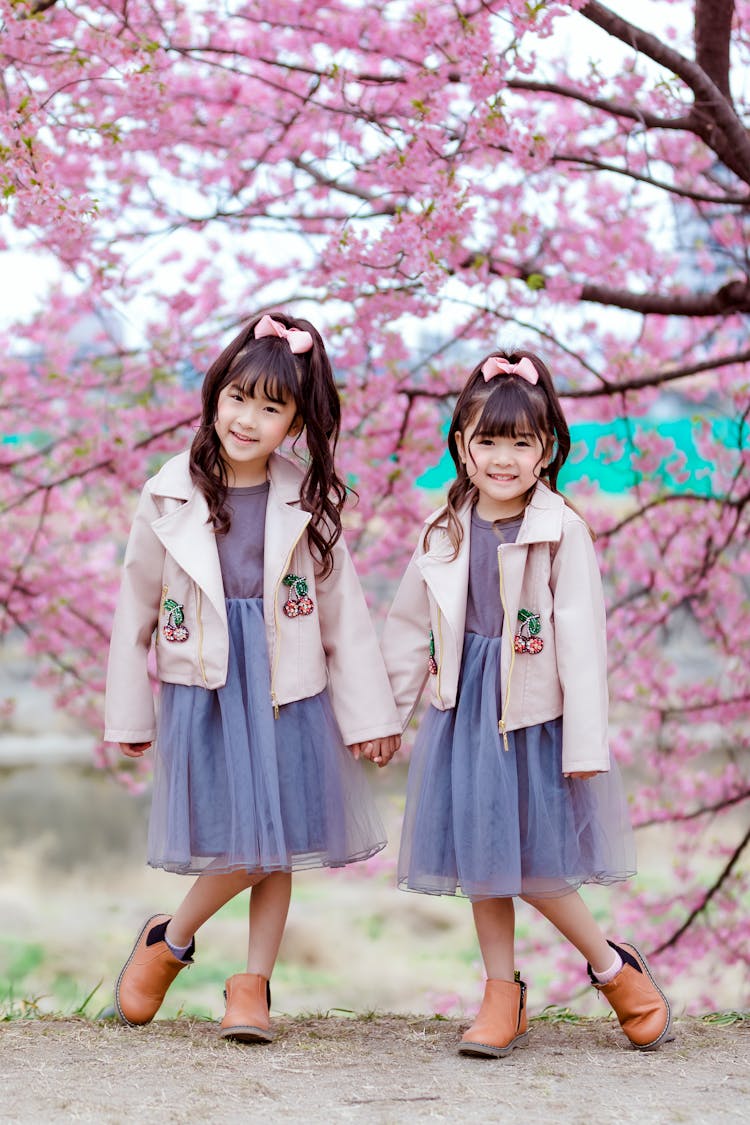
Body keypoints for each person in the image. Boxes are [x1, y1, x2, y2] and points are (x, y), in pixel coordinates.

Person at [104, 312, 400, 1042]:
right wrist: (130, 715)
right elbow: (133, 611)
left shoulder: (304, 498)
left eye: (273, 407)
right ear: (215, 394)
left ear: (297, 422)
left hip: (286, 684)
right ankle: (169, 937)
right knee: (249, 841)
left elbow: (344, 615)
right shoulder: (168, 494)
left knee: (279, 839)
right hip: (205, 686)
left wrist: (370, 717)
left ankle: (251, 988)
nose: (249, 418)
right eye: (239, 397)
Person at [380, 351, 671, 1057]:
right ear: (460, 447)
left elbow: (581, 640)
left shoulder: (560, 529)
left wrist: (585, 744)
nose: (502, 458)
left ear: (548, 449)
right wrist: (386, 714)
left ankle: (611, 965)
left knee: (538, 863)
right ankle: (500, 993)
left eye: (521, 442)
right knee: (484, 857)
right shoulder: (443, 529)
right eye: (487, 440)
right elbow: (408, 625)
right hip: (464, 713)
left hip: (533, 718)